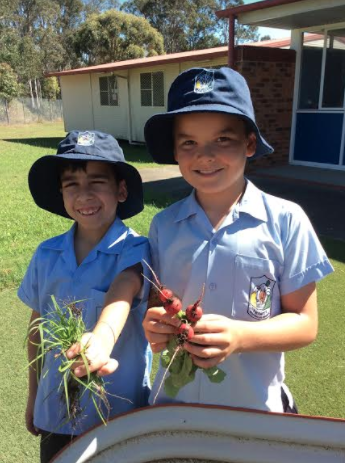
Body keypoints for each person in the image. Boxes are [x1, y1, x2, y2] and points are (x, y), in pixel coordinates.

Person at [142, 67, 334, 413]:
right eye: (189, 142)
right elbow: (156, 301)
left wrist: (241, 337)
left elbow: (305, 324)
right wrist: (155, 322)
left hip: (253, 410)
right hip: (172, 410)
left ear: (249, 144)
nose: (205, 155)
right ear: (174, 150)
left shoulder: (286, 221)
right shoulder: (163, 226)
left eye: (223, 139)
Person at [18, 130, 151, 463]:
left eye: (97, 182)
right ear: (61, 194)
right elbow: (37, 331)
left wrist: (102, 335)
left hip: (120, 416)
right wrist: (34, 396)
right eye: (71, 184)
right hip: (55, 412)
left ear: (121, 190)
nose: (84, 195)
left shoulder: (137, 249)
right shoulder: (46, 255)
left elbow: (128, 283)